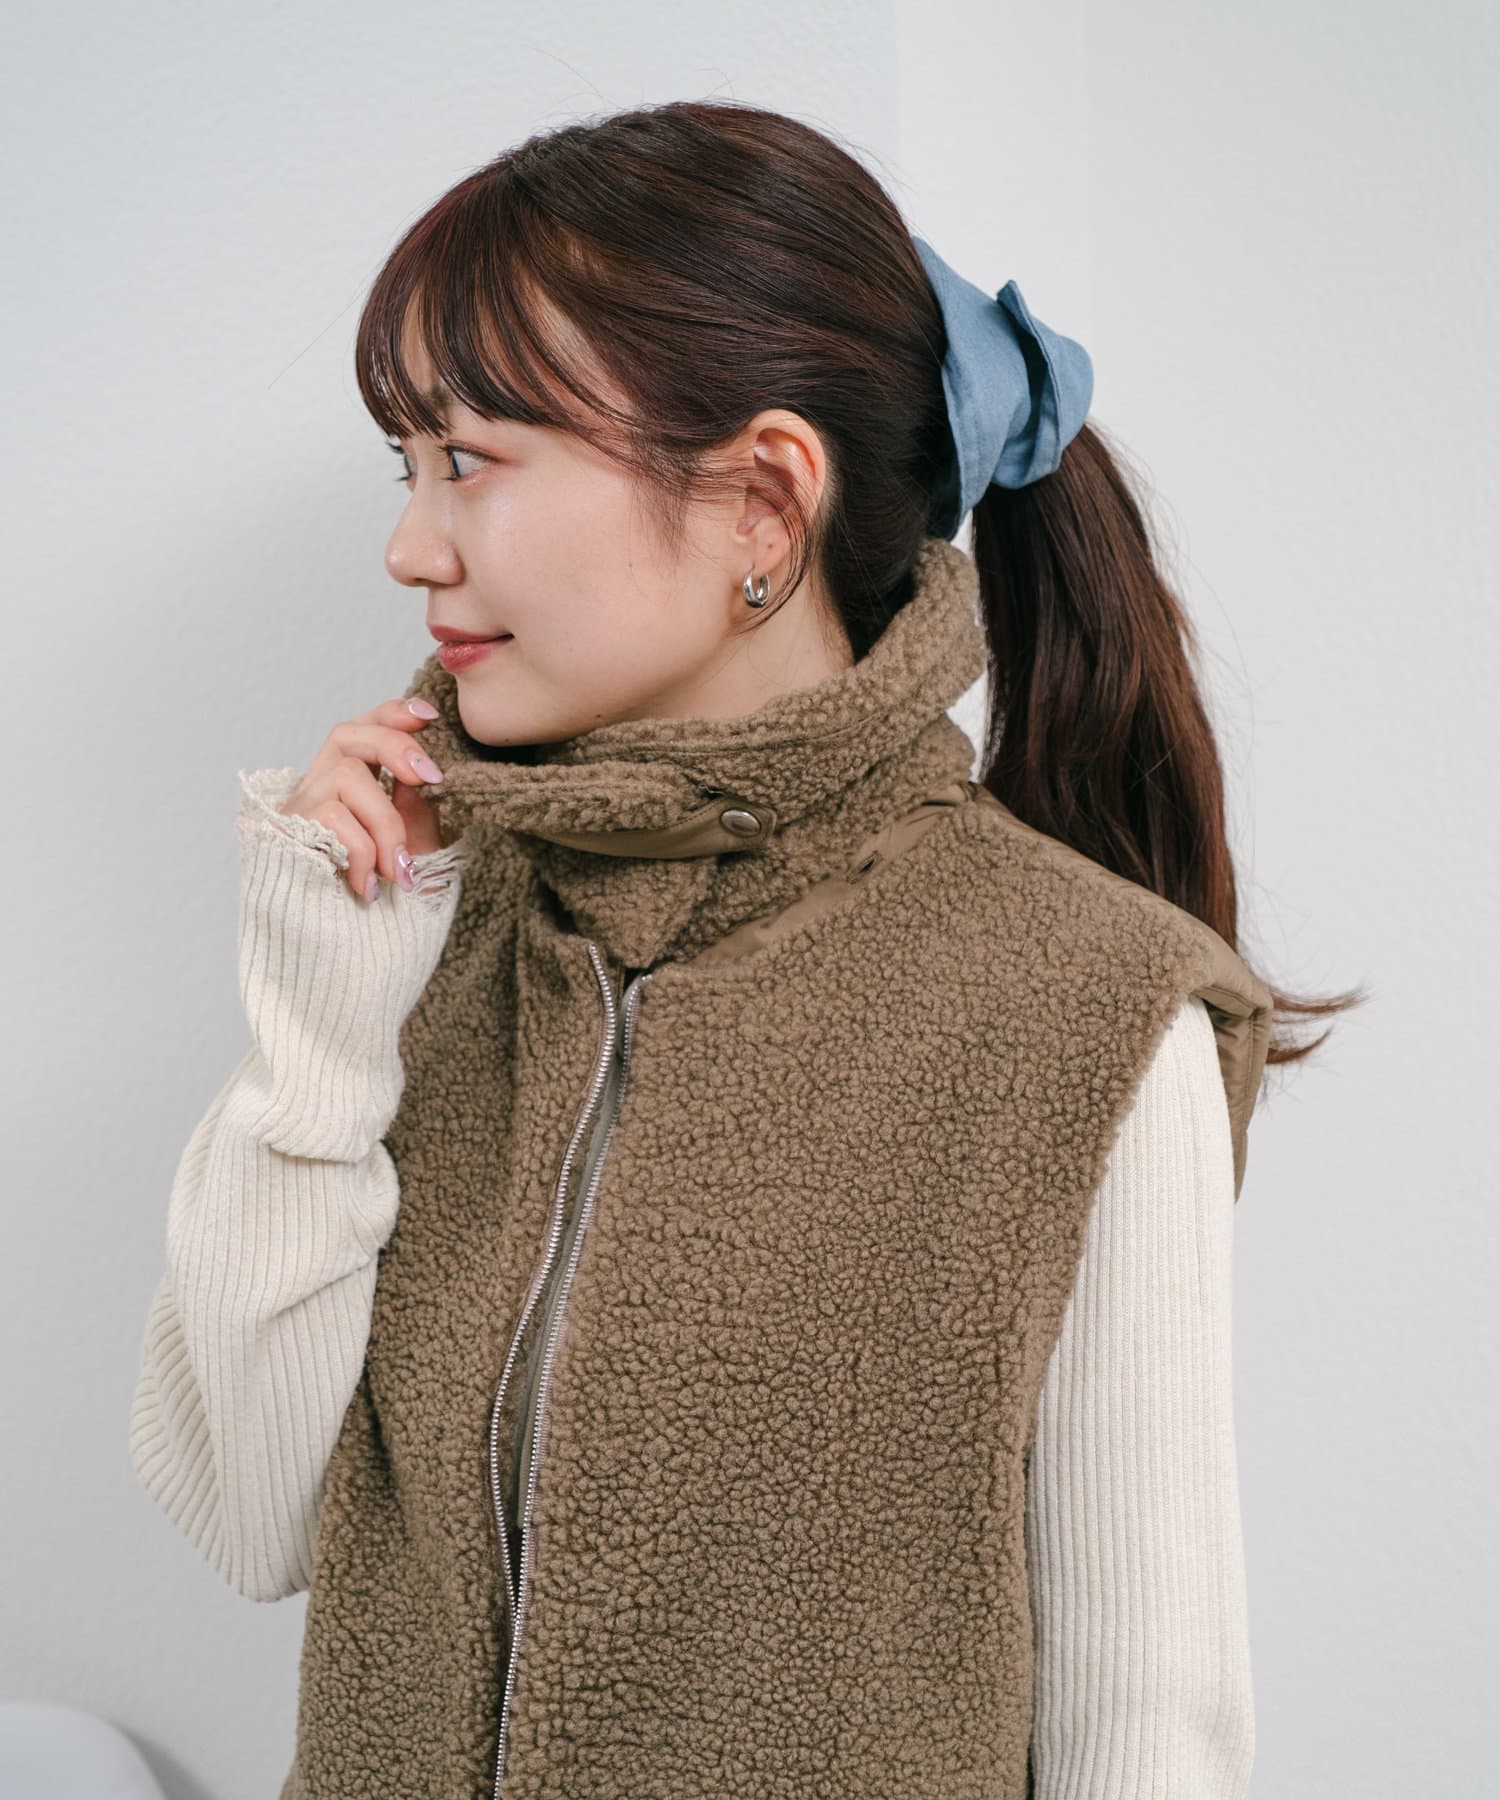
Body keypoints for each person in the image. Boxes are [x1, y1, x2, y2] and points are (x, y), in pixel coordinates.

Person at [129, 99, 1360, 1799]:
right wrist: (325, 1025)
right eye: (404, 466)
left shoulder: (1086, 1006)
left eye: (469, 459)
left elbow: (1149, 1732)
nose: (411, 545)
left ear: (766, 504)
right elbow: (252, 1516)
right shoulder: (426, 923)